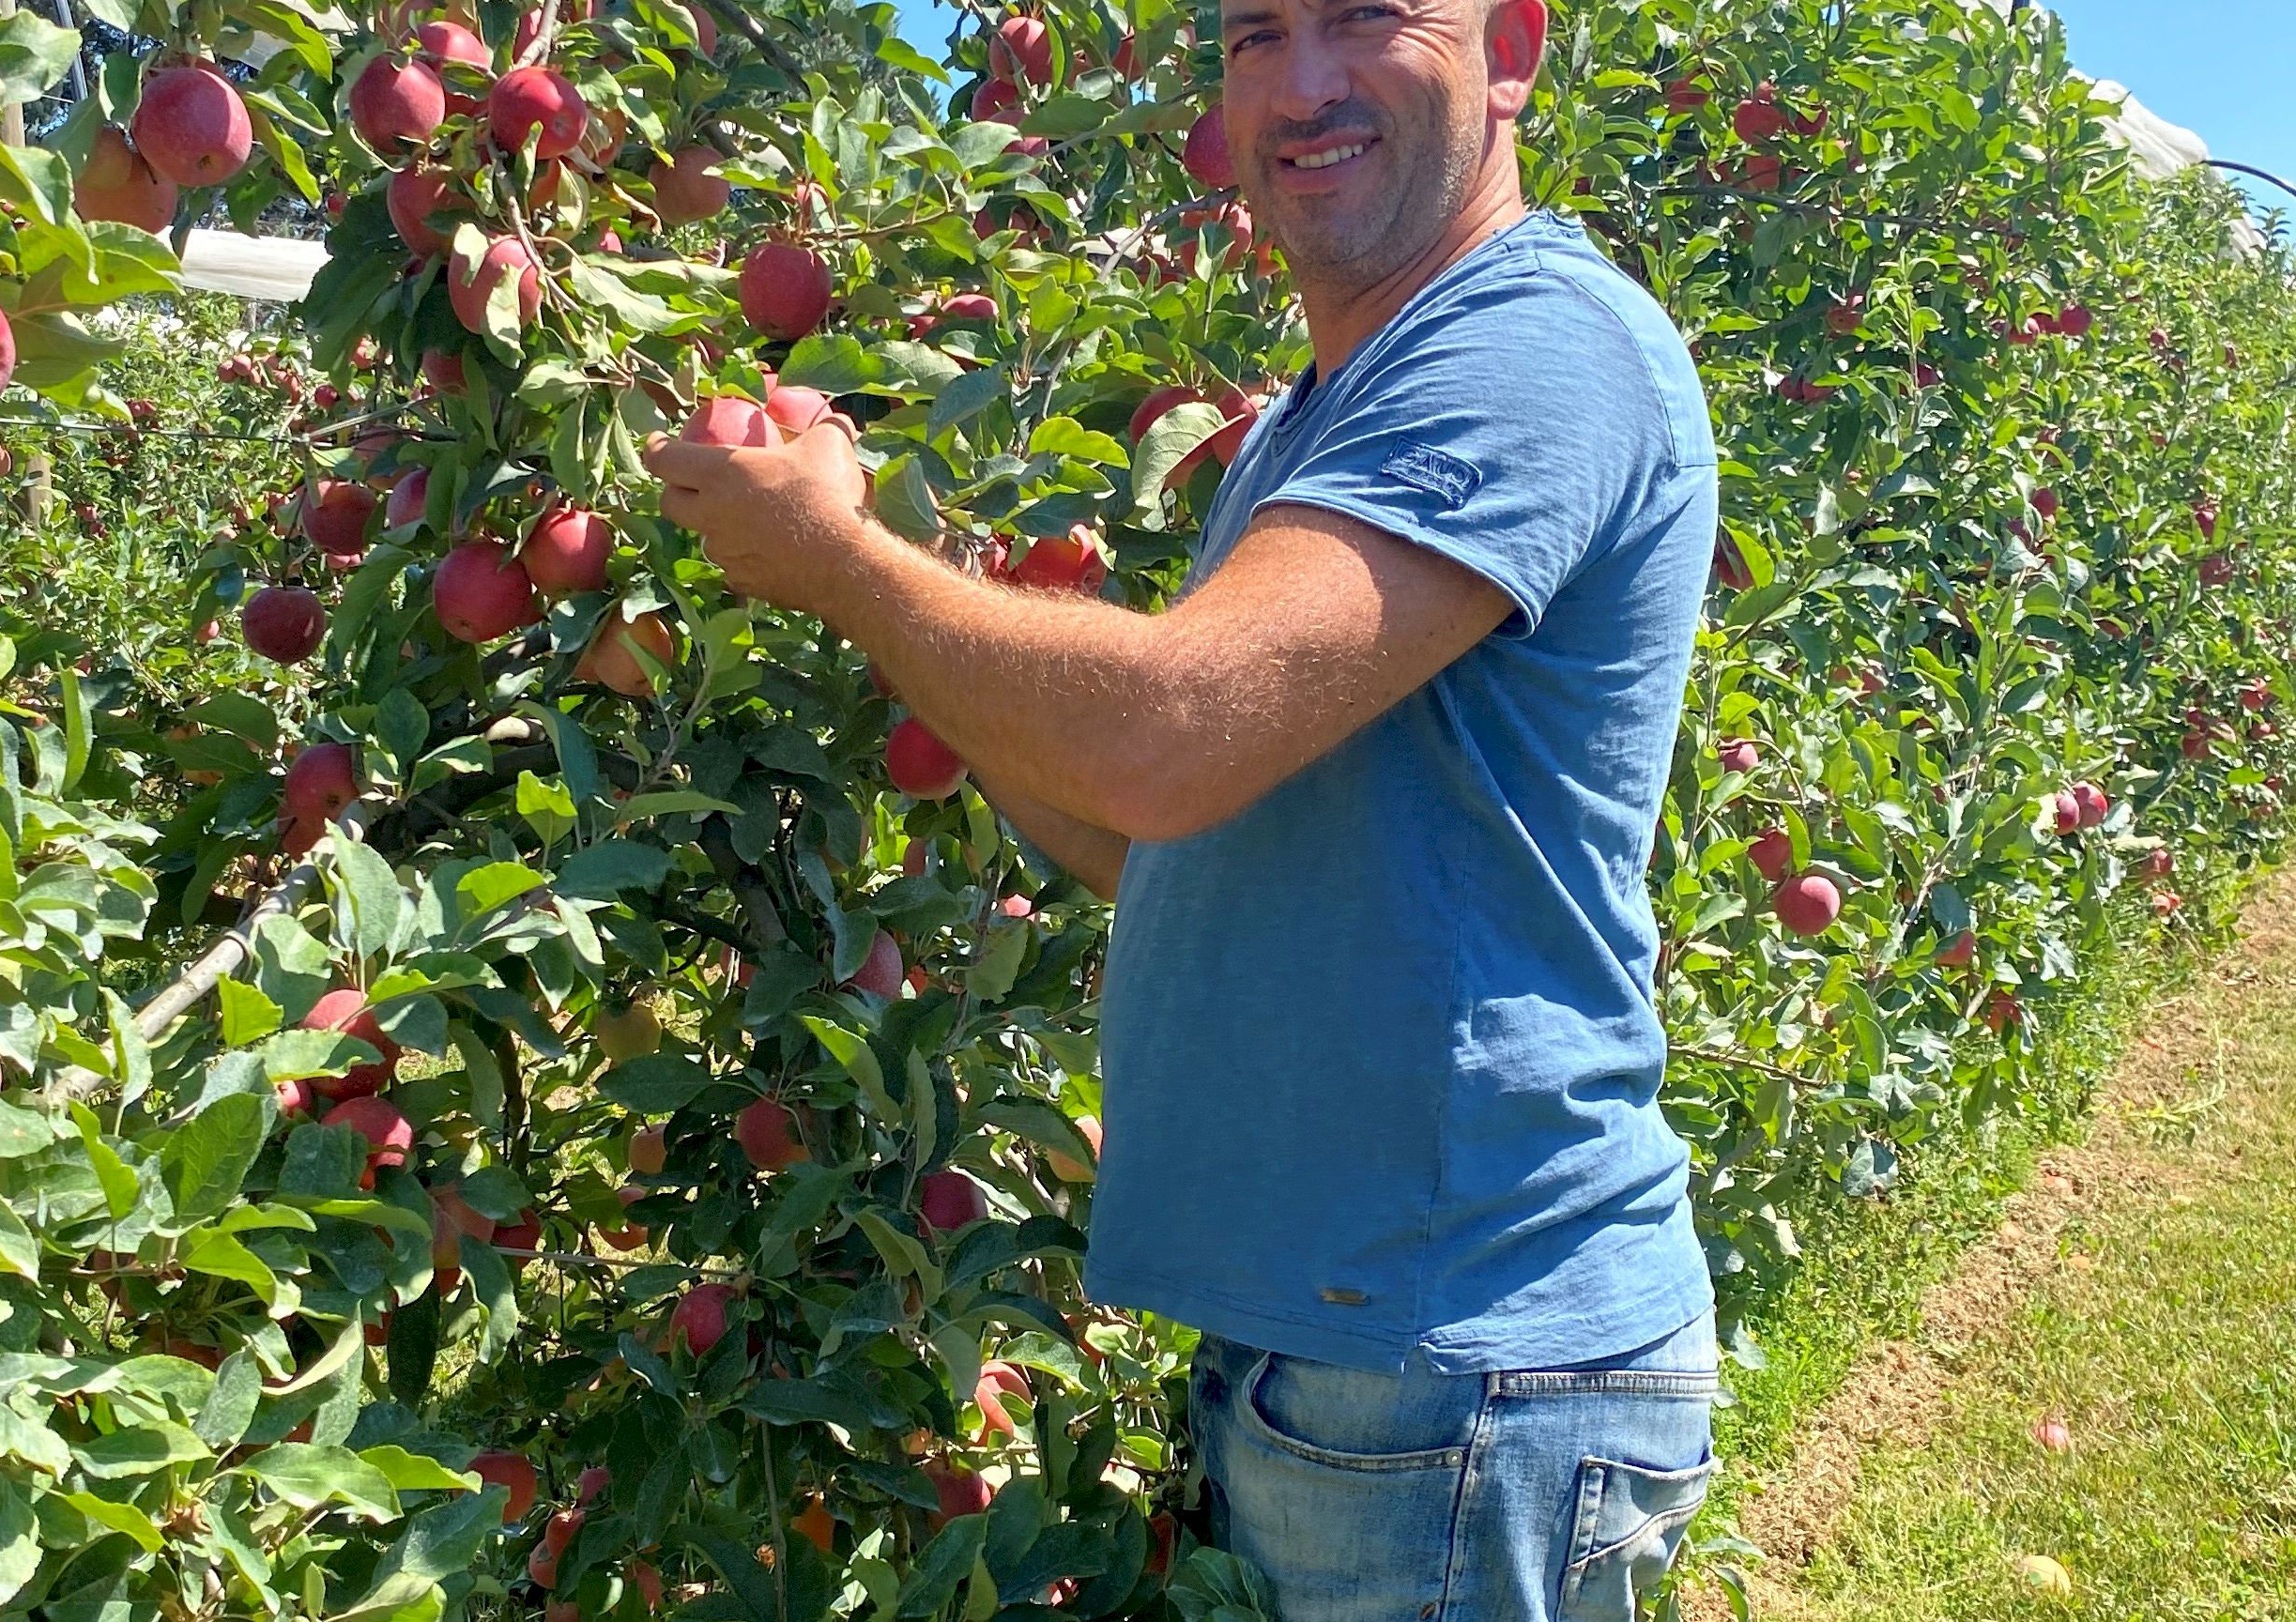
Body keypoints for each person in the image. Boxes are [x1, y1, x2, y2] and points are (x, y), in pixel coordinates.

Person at [643, 0, 1721, 1614]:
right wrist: (942, 632)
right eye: (1254, 33)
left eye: (1368, 17)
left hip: (1460, 1359)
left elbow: (1168, 739)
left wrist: (854, 569)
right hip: (1354, 1355)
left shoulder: (1531, 343)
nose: (1301, 83)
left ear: (1511, 48)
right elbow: (1137, 831)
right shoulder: (1310, 418)